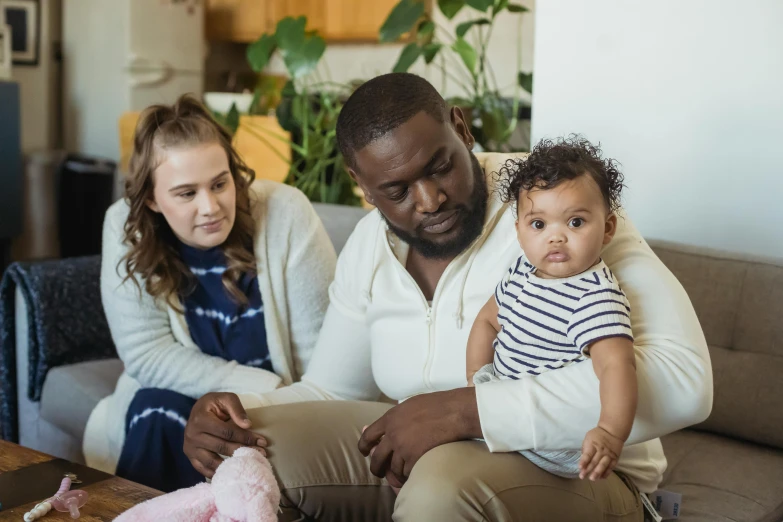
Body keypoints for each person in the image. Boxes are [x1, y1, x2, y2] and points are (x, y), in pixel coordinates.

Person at [183, 73, 712, 521]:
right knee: (257, 448)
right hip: (442, 457)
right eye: (397, 190)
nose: (430, 200)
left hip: (587, 472)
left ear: (461, 128)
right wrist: (236, 414)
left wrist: (469, 410)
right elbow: (330, 390)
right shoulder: (371, 244)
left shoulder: (556, 208)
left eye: (440, 167)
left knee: (440, 485)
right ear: (360, 183)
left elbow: (685, 380)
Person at [82, 95, 336, 492]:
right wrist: (257, 385)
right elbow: (147, 354)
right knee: (156, 412)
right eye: (186, 193)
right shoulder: (124, 225)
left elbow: (321, 364)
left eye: (220, 184)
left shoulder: (286, 214)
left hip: (276, 408)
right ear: (151, 198)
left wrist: (264, 400)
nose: (211, 206)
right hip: (188, 397)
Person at [466, 137, 637, 482]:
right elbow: (486, 321)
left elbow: (617, 365)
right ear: (519, 232)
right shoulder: (520, 273)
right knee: (432, 425)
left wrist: (610, 431)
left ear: (607, 229)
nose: (555, 237)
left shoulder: (594, 296)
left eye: (575, 222)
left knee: (453, 464)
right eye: (539, 225)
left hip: (549, 439)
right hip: (500, 398)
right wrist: (473, 383)